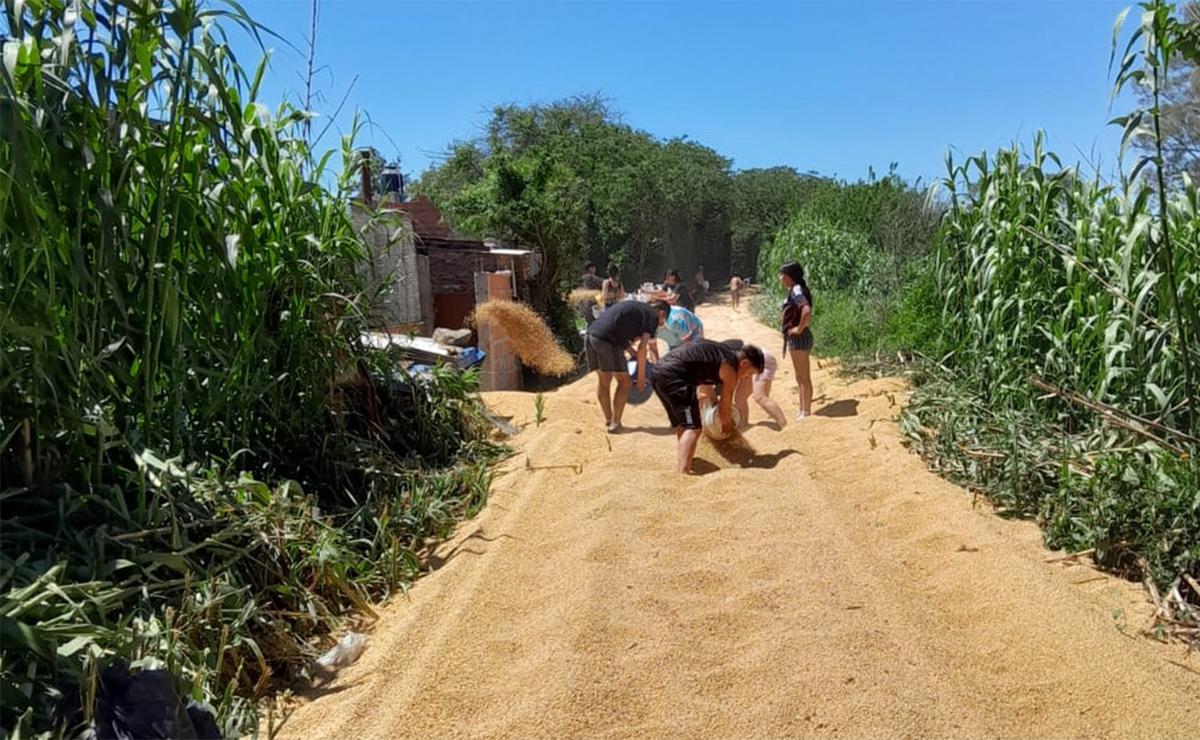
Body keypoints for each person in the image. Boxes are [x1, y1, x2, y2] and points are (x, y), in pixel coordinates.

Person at [651, 339, 764, 474]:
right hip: (675, 376)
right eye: (750, 373)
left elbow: (706, 383)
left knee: (683, 424)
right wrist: (728, 424)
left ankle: (686, 461)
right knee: (693, 428)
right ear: (744, 363)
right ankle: (682, 473)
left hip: (659, 371)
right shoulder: (731, 371)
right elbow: (725, 406)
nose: (746, 378)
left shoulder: (722, 353)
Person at [586, 300, 669, 433]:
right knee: (625, 382)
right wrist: (641, 379)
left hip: (592, 335)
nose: (658, 326)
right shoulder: (651, 317)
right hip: (608, 341)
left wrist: (632, 353)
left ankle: (609, 420)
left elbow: (617, 329)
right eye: (661, 322)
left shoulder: (637, 309)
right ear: (661, 313)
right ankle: (615, 423)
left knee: (604, 380)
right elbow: (643, 348)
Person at [717, 339, 787, 428]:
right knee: (740, 398)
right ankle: (743, 424)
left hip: (762, 361)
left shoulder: (720, 359)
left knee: (760, 397)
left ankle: (783, 424)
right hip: (750, 361)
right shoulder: (719, 354)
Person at [779, 261, 814, 420]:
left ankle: (806, 412)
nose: (780, 278)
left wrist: (798, 329)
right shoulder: (795, 289)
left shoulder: (796, 290)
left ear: (789, 276)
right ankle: (802, 410)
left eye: (782, 275)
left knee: (803, 377)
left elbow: (806, 311)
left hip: (799, 338)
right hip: (798, 339)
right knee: (800, 377)